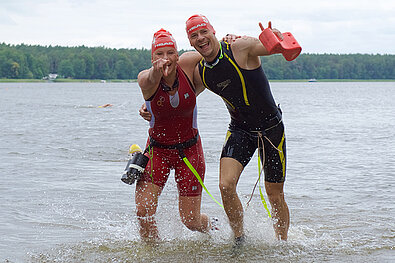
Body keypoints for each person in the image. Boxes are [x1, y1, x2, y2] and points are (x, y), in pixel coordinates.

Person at [140, 15, 290, 244]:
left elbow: (271, 47)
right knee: (225, 185)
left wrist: (275, 36)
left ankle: (282, 242)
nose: (200, 38)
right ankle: (239, 238)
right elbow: (169, 90)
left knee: (274, 193)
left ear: (213, 31)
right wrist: (149, 106)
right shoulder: (202, 72)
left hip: (271, 129)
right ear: (190, 43)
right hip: (239, 129)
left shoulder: (237, 48)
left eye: (203, 32)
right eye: (194, 35)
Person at [135, 28, 212, 241]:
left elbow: (212, 49)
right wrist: (157, 72)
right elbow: (150, 79)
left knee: (191, 222)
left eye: (170, 53)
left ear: (178, 55)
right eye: (159, 54)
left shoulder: (187, 65)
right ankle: (153, 252)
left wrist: (230, 39)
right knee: (143, 212)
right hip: (157, 151)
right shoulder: (146, 78)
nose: (165, 59)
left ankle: (213, 229)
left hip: (189, 151)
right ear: (152, 58)